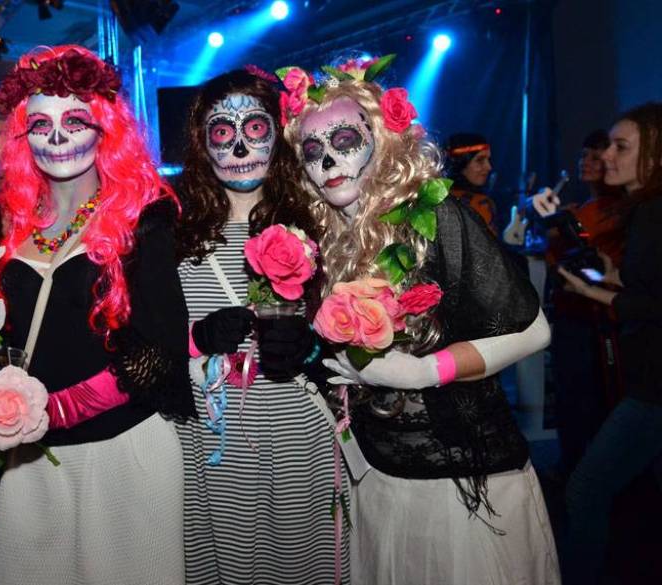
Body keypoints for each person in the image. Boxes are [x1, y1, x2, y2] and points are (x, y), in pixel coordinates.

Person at [280, 58, 559, 584]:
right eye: (312, 150)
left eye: (344, 140)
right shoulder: (324, 243)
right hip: (378, 480)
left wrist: (427, 371)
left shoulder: (435, 218)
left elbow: (534, 330)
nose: (328, 159)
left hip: (461, 486)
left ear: (381, 140)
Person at [0, 45, 192, 585]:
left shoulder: (143, 218)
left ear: (105, 128)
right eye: (41, 125)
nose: (57, 138)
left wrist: (57, 409)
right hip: (31, 457)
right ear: (23, 136)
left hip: (123, 453)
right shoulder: (10, 223)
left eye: (74, 121)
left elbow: (161, 355)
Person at [173, 68, 347, 584]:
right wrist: (195, 339)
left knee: (300, 567)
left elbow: (350, 338)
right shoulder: (173, 233)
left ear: (278, 135)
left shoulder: (321, 223)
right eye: (223, 132)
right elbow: (142, 343)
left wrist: (312, 348)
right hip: (210, 446)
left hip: (296, 439)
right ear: (202, 143)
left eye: (254, 128)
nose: (240, 147)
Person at [543, 103, 662, 585]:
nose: (606, 155)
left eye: (620, 147)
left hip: (654, 388)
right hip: (647, 378)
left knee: (586, 488)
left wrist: (597, 293)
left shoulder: (653, 212)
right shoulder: (642, 211)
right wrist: (612, 276)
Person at [532, 129, 627, 478]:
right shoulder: (581, 209)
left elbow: (597, 266)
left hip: (599, 319)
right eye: (583, 155)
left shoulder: (616, 212)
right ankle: (573, 469)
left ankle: (592, 475)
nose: (586, 162)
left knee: (595, 399)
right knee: (570, 398)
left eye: (595, 157)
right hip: (571, 313)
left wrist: (559, 230)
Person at [445, 132, 497, 231]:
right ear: (460, 163)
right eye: (480, 160)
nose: (489, 167)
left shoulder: (435, 199)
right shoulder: (482, 203)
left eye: (488, 160)